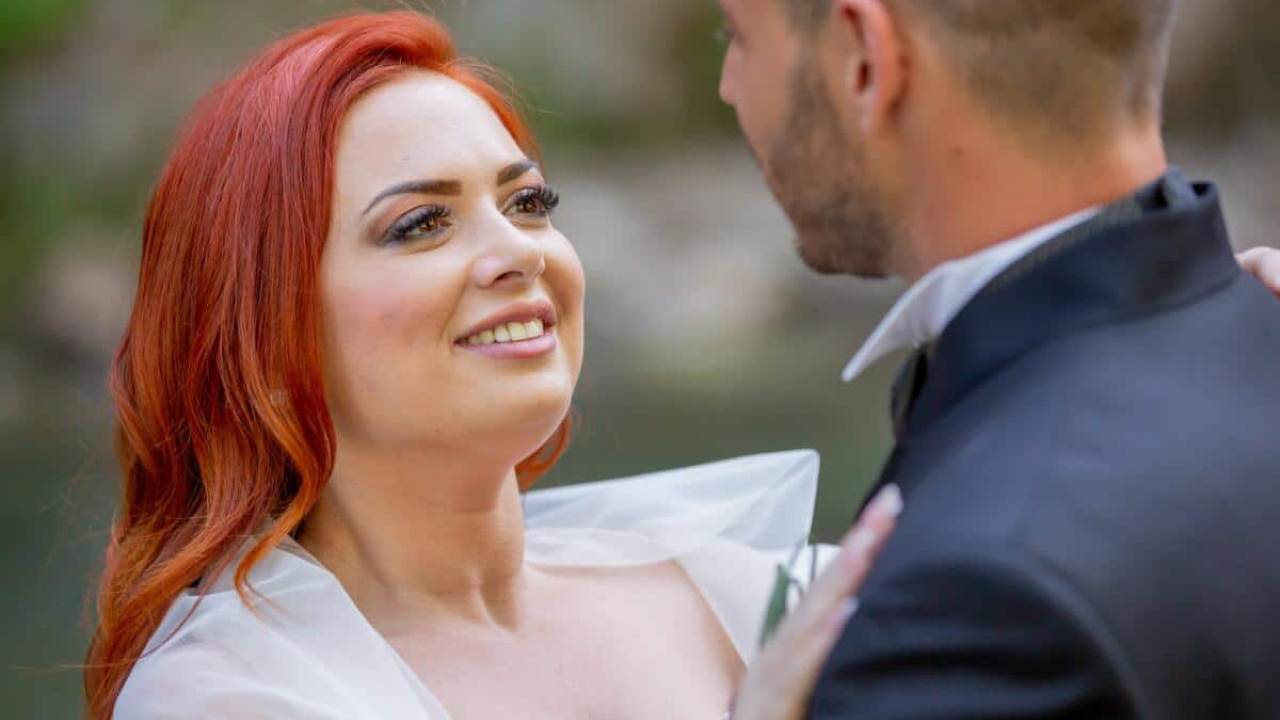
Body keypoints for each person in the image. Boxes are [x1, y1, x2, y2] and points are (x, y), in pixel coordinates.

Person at [86, 11, 906, 720]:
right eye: (421, 224)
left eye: (528, 203)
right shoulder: (227, 694)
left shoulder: (752, 601)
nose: (518, 250)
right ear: (259, 340)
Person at [715, 0, 1280, 718]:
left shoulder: (978, 604)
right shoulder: (1257, 337)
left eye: (738, 36)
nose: (728, 84)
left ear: (865, 60)